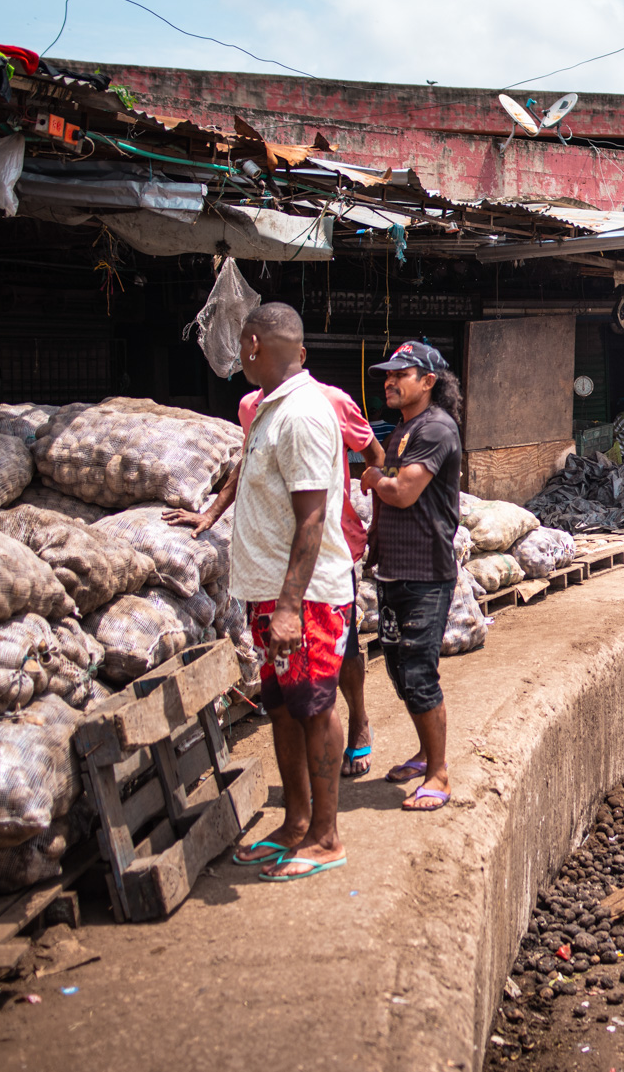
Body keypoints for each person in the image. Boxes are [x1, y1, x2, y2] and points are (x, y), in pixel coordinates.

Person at [167, 376, 379, 780]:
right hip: (272, 560)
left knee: (340, 657)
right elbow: (250, 461)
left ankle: (358, 723)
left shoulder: (331, 401)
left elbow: (373, 452)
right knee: (287, 687)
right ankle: (307, 797)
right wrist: (212, 513)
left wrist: (376, 517)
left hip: (327, 554)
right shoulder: (251, 406)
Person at [221, 303, 355, 881]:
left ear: (251, 344)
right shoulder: (272, 411)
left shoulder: (300, 415)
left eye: (240, 346)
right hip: (273, 595)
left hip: (305, 600)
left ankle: (326, 837)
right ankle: (295, 824)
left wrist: (288, 607)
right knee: (282, 707)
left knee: (314, 708)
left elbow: (312, 518)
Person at [361, 340, 464, 812]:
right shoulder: (405, 429)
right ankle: (425, 755)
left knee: (420, 673)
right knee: (401, 671)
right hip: (395, 570)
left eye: (400, 374)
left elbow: (401, 493)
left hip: (426, 573)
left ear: (428, 381)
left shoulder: (437, 429)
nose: (389, 381)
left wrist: (372, 479)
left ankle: (440, 773)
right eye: (387, 374)